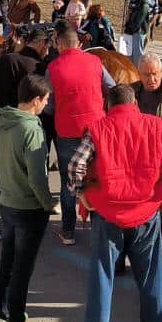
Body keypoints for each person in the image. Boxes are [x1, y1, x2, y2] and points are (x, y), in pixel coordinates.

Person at [67, 84, 162, 322]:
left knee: (102, 279)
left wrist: (82, 194)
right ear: (135, 101)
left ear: (108, 104)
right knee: (151, 277)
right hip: (146, 213)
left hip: (108, 214)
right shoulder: (156, 125)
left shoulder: (98, 129)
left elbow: (75, 166)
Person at [0, 74, 54, 322]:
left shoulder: (2, 121)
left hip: (7, 201)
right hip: (29, 207)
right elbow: (38, 178)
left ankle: (4, 316)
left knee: (7, 261)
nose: (46, 106)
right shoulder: (32, 129)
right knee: (22, 271)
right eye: (46, 100)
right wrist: (47, 204)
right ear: (36, 100)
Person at [0, 28, 50, 241]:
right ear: (41, 45)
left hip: (2, 123)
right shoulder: (39, 67)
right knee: (29, 175)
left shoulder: (8, 60)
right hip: (28, 126)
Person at [46, 27, 109, 246]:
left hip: (67, 131)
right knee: (97, 176)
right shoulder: (94, 61)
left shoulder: (53, 67)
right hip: (96, 129)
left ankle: (68, 231)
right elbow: (111, 87)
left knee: (68, 181)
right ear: (79, 44)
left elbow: (49, 104)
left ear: (60, 45)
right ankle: (98, 227)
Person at [133, 54, 162, 123]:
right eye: (147, 75)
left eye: (155, 74)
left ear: (161, 72)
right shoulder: (131, 91)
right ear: (139, 74)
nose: (152, 79)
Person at [123, 0, 153, 65]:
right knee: (133, 52)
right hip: (136, 31)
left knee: (138, 53)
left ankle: (138, 69)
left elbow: (139, 20)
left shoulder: (144, 5)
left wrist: (130, 29)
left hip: (138, 31)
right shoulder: (140, 3)